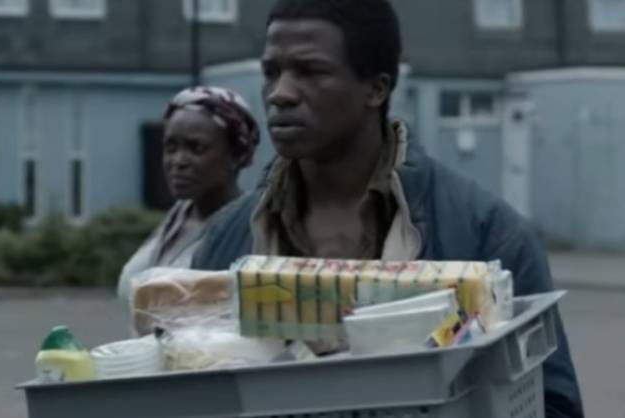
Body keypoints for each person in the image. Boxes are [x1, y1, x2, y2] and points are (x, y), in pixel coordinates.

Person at [192, 1, 584, 417]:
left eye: (310, 71)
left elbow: (551, 404)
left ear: (376, 89)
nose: (280, 93)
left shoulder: (488, 236)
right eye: (272, 72)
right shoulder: (225, 239)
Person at [116, 86, 260, 301]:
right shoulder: (178, 216)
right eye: (170, 147)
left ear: (235, 155)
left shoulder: (246, 233)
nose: (178, 161)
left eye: (196, 148)